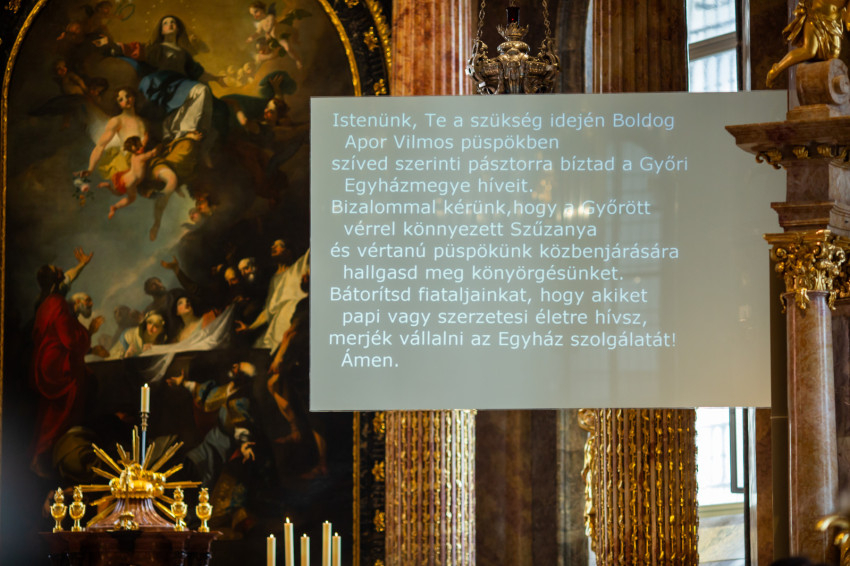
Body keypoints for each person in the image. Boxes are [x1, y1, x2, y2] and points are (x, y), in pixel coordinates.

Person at [30, 251, 100, 476]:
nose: (61, 269)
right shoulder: (58, 302)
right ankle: (50, 456)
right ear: (55, 279)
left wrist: (81, 265)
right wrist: (88, 334)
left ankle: (41, 456)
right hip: (59, 365)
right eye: (56, 270)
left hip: (46, 361)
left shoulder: (44, 303)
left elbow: (68, 278)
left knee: (50, 410)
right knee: (62, 411)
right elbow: (70, 339)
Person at [236, 240, 309, 351]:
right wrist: (250, 327)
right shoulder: (273, 278)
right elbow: (269, 309)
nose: (273, 247)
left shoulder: (298, 269)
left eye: (279, 245)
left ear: (289, 252)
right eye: (273, 245)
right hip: (276, 327)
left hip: (295, 320)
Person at [766, 0, 850, 86]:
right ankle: (776, 70)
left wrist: (848, 22)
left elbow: (848, 18)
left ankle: (820, 84)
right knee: (809, 51)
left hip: (833, 24)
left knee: (833, 55)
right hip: (814, 17)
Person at [79, 87, 148, 186]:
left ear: (134, 97)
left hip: (142, 159)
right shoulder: (117, 121)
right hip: (126, 162)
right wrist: (90, 169)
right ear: (118, 104)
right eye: (121, 99)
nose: (126, 100)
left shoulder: (143, 121)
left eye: (128, 96)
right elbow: (100, 146)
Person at [98, 136, 158, 219]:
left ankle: (109, 187)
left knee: (119, 193)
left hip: (125, 178)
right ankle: (115, 207)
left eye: (140, 145)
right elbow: (152, 153)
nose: (141, 147)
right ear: (135, 148)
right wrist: (160, 146)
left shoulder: (134, 155)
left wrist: (146, 136)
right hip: (131, 182)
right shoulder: (141, 157)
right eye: (139, 146)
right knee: (132, 198)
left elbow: (143, 145)